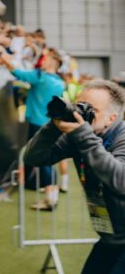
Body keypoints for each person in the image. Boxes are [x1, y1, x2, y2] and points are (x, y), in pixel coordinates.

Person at [24, 79, 125, 274]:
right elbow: (34, 157)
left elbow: (121, 181)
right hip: (110, 237)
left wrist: (84, 136)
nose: (81, 113)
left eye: (91, 109)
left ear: (111, 118)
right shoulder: (80, 136)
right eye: (79, 105)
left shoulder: (120, 137)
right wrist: (52, 128)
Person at [0, 47, 66, 209]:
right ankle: (50, 193)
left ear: (53, 62)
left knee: (42, 158)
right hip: (50, 123)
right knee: (44, 157)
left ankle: (50, 198)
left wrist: (3, 57)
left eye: (46, 58)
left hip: (37, 123)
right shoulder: (60, 82)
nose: (43, 60)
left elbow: (18, 73)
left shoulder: (40, 76)